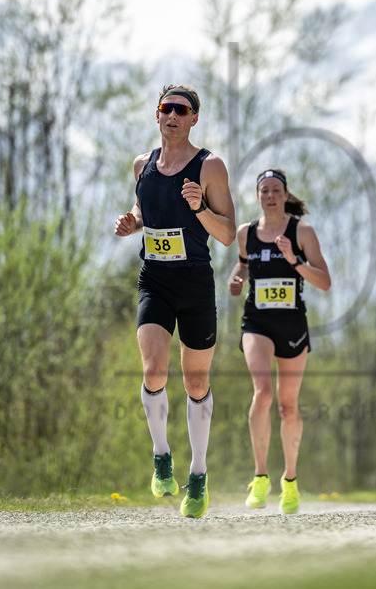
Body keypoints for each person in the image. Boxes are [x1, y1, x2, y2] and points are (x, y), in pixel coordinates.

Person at [114, 84, 236, 518]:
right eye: (166, 108)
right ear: (157, 114)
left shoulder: (210, 166)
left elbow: (227, 235)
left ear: (194, 118)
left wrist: (200, 208)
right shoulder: (142, 164)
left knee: (196, 384)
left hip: (196, 284)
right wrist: (133, 222)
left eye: (181, 110)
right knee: (152, 370)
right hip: (155, 281)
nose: (172, 115)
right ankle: (162, 458)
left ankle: (198, 475)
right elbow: (146, 208)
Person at [227, 169, 331, 514]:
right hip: (256, 320)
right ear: (257, 196)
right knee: (263, 393)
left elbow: (325, 281)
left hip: (292, 324)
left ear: (286, 196)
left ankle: (290, 480)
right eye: (264, 190)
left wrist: (294, 260)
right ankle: (260, 477)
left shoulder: (301, 231)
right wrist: (236, 278)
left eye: (276, 190)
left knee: (288, 406)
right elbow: (242, 266)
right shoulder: (246, 233)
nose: (270, 196)